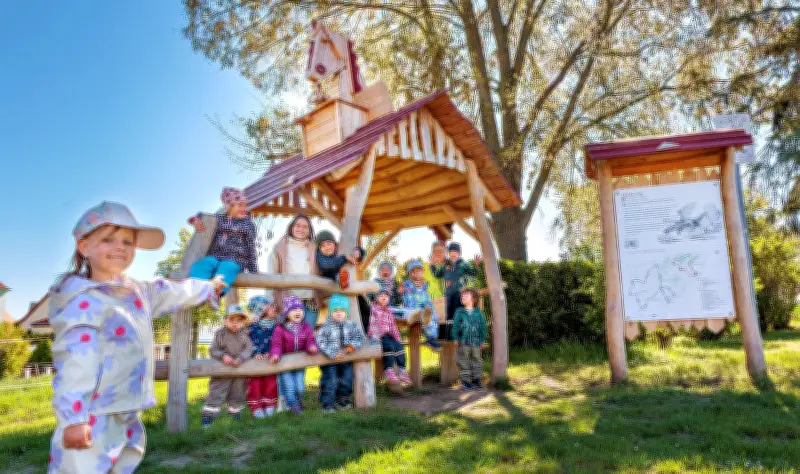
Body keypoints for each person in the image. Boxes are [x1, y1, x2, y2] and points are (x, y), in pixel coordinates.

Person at [48, 201, 225, 473]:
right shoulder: (83, 302)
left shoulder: (136, 292)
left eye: (127, 242)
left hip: (129, 406)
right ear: (84, 247)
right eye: (108, 239)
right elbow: (75, 361)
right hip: (94, 413)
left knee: (123, 466)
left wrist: (208, 287)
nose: (120, 247)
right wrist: (74, 418)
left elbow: (172, 291)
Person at [187, 187, 258, 296]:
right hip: (215, 256)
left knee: (227, 267)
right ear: (229, 206)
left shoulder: (248, 224)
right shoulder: (218, 219)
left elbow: (251, 247)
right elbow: (201, 215)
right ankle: (197, 289)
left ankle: (217, 291)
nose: (244, 208)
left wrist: (253, 269)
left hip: (236, 259)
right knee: (204, 264)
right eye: (240, 205)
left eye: (245, 205)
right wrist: (195, 220)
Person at [201, 305, 254, 427]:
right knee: (217, 392)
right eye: (232, 320)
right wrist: (223, 355)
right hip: (222, 370)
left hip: (238, 369)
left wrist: (241, 357)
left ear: (243, 322)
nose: (235, 323)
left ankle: (234, 414)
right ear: (225, 320)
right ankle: (208, 417)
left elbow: (249, 348)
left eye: (239, 321)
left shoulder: (244, 334)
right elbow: (213, 349)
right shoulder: (220, 333)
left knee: (238, 393)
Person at [266, 215, 321, 327]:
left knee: (307, 336)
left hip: (310, 302)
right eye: (298, 225)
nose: (301, 229)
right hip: (287, 301)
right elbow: (270, 276)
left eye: (305, 227)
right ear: (291, 227)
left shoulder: (315, 248)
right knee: (288, 336)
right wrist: (269, 300)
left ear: (309, 230)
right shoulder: (279, 248)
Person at [315, 294, 365, 413]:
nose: (338, 313)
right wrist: (333, 353)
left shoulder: (351, 325)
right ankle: (328, 404)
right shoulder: (326, 326)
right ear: (330, 312)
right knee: (331, 380)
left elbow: (360, 337)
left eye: (342, 310)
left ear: (346, 312)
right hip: (330, 360)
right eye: (335, 310)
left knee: (347, 379)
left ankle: (342, 399)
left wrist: (352, 346)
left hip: (345, 358)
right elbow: (320, 341)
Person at [270, 296, 319, 414]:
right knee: (289, 386)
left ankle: (297, 401)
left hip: (299, 362)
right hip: (285, 363)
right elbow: (276, 344)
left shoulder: (306, 326)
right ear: (287, 313)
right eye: (294, 309)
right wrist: (275, 354)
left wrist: (311, 347)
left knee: (300, 387)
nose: (298, 312)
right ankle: (293, 405)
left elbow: (310, 340)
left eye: (300, 309)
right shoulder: (280, 328)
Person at [431, 242, 481, 340]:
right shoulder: (445, 265)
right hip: (449, 293)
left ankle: (459, 334)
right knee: (449, 314)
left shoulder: (463, 264)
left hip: (459, 293)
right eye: (451, 251)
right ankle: (449, 335)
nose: (453, 253)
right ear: (448, 253)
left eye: (456, 252)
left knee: (458, 312)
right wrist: (432, 265)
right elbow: (437, 275)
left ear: (459, 254)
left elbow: (473, 273)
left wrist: (476, 265)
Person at [368, 290, 411, 385]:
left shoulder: (389, 311)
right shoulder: (373, 309)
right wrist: (374, 336)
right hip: (379, 336)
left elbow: (393, 326)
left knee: (400, 347)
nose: (384, 298)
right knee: (389, 347)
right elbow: (371, 324)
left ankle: (402, 370)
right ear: (376, 298)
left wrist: (397, 337)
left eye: (386, 296)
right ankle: (388, 370)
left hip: (389, 335)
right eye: (381, 296)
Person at [246, 295, 279, 419]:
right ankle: (256, 406)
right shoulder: (253, 326)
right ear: (262, 311)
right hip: (256, 360)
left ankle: (269, 403)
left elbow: (278, 341)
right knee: (255, 383)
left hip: (270, 359)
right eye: (270, 307)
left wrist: (272, 352)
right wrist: (256, 352)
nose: (274, 308)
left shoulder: (277, 325)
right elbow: (249, 342)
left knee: (271, 381)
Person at [452, 288, 489, 390]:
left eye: (466, 295)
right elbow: (455, 326)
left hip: (476, 343)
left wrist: (482, 340)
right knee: (463, 361)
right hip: (463, 342)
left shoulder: (479, 313)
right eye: (462, 295)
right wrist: (455, 338)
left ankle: (476, 380)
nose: (463, 297)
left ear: (474, 299)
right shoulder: (459, 312)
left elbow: (483, 327)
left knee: (477, 360)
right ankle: (466, 382)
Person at [402, 260, 441, 351]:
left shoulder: (425, 285)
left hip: (425, 307)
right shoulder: (407, 284)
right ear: (409, 274)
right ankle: (431, 338)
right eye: (413, 271)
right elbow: (407, 298)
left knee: (433, 315)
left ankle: (431, 337)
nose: (416, 273)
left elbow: (427, 298)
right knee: (423, 314)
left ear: (422, 272)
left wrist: (429, 307)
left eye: (418, 271)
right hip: (412, 307)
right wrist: (405, 289)